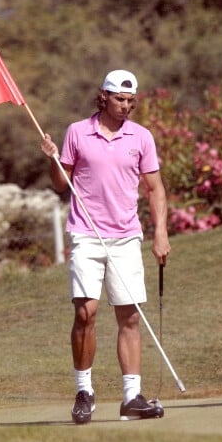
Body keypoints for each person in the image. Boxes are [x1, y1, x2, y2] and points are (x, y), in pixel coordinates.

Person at [40, 69, 171, 423]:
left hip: (127, 236)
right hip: (85, 234)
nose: (125, 106)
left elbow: (155, 188)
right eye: (119, 99)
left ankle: (132, 397)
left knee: (129, 316)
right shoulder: (77, 133)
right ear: (104, 97)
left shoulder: (141, 137)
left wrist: (160, 232)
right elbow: (59, 184)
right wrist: (52, 157)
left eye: (130, 101)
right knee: (86, 313)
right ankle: (84, 391)